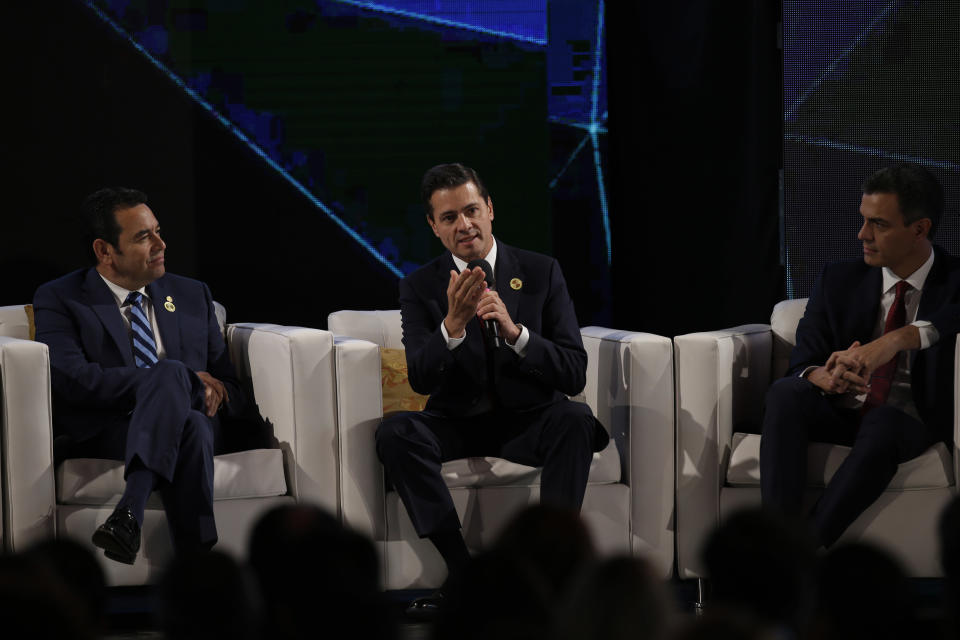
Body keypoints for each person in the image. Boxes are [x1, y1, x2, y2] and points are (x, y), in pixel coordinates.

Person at [376, 163, 609, 615]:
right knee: (396, 433)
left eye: (471, 210)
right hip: (455, 424)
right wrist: (452, 327)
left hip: (530, 421)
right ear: (434, 227)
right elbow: (421, 379)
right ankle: (463, 575)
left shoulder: (541, 272)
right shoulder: (419, 286)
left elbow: (573, 372)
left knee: (576, 418)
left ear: (490, 210)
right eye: (449, 218)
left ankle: (550, 576)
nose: (464, 225)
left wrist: (516, 332)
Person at [33, 187, 244, 564]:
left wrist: (209, 390)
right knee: (188, 420)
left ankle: (129, 513)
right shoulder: (62, 298)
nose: (160, 244)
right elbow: (71, 379)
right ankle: (197, 569)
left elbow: (231, 385)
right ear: (104, 251)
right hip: (113, 427)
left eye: (158, 231)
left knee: (187, 408)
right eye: (143, 237)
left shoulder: (192, 294)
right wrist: (177, 378)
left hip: (198, 416)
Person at [760, 164, 958, 548]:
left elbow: (953, 319)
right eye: (863, 220)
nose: (862, 235)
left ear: (920, 229)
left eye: (879, 224)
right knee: (786, 393)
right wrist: (822, 376)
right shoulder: (838, 278)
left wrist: (896, 339)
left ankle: (805, 549)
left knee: (884, 422)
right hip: (841, 409)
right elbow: (804, 361)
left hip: (910, 419)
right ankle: (778, 544)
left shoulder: (955, 281)